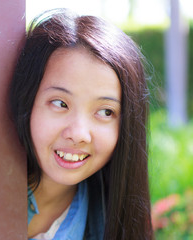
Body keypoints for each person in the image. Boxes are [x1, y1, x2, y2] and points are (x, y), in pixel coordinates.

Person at [8, 8, 153, 240]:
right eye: (60, 103)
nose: (78, 134)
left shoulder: (111, 222)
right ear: (27, 100)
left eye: (106, 111)